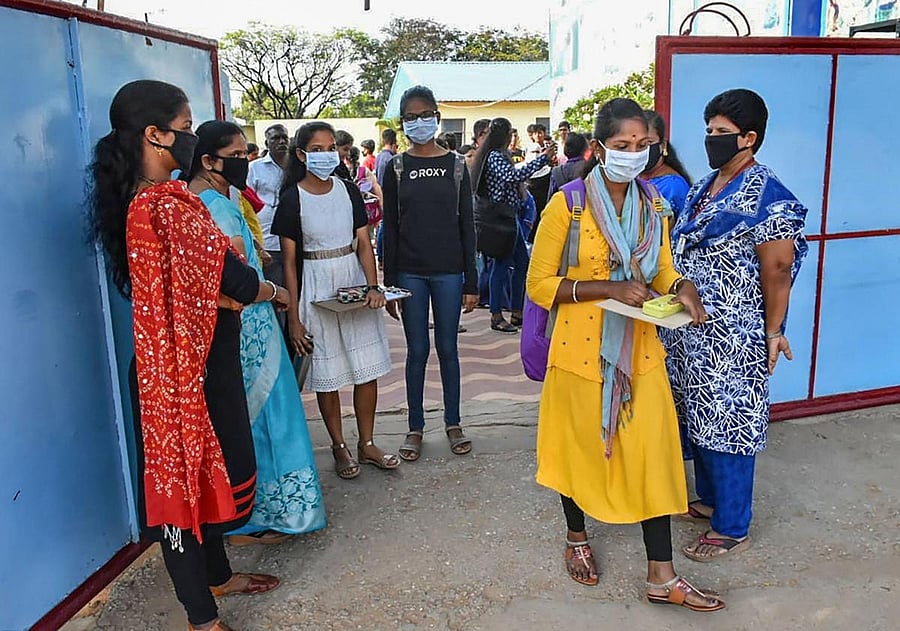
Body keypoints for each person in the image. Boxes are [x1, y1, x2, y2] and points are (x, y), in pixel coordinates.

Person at [89, 80, 289, 631]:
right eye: (185, 125)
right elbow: (237, 281)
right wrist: (272, 291)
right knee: (181, 486)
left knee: (206, 476)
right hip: (183, 374)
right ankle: (202, 618)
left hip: (188, 364)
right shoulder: (165, 206)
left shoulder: (154, 200)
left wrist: (233, 285)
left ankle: (217, 576)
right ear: (155, 134)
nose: (192, 135)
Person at [526, 97, 724, 612]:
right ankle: (577, 538)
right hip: (578, 353)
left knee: (652, 459)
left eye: (642, 145)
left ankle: (663, 576)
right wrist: (605, 289)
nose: (633, 154)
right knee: (577, 453)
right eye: (621, 145)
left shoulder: (654, 204)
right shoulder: (567, 204)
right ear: (598, 148)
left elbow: (659, 269)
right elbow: (539, 284)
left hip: (639, 351)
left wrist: (682, 286)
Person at [664, 89, 808, 561]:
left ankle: (732, 525)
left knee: (728, 425)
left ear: (750, 138)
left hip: (734, 334)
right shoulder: (706, 186)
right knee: (698, 419)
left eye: (722, 134)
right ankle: (709, 501)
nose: (712, 140)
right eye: (709, 131)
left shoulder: (770, 195)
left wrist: (773, 330)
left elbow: (778, 270)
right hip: (691, 332)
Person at [186, 120, 327, 544]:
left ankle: (250, 512)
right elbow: (235, 277)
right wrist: (276, 292)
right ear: (209, 160)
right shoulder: (216, 206)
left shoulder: (201, 200)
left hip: (234, 326)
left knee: (247, 419)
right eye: (237, 155)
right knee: (269, 416)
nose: (246, 162)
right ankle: (270, 513)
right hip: (249, 325)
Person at [272, 121, 398, 480]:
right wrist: (295, 317)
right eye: (316, 149)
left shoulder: (347, 190)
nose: (326, 155)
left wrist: (373, 287)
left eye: (331, 148)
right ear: (301, 154)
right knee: (327, 375)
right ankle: (340, 446)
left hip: (352, 282)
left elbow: (363, 243)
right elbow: (291, 264)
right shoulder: (292, 198)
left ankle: (368, 442)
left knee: (366, 367)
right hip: (315, 283)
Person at [381, 85, 478, 462]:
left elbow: (467, 226)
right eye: (411, 116)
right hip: (410, 275)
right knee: (417, 350)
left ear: (437, 118)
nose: (419, 122)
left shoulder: (456, 166)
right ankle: (415, 427)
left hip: (451, 273)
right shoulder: (396, 167)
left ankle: (453, 423)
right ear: (402, 122)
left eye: (426, 115)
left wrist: (472, 281)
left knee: (448, 349)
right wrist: (389, 282)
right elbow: (389, 228)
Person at [471, 117, 555, 333]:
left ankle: (517, 311)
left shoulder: (497, 155)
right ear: (504, 135)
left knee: (521, 263)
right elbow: (512, 176)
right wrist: (542, 160)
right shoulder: (495, 157)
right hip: (501, 220)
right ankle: (497, 314)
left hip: (509, 217)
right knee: (501, 264)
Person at [248, 123, 290, 307]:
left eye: (284, 138)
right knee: (276, 295)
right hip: (268, 241)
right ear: (267, 142)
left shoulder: (296, 167)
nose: (281, 142)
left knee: (295, 293)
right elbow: (247, 205)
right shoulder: (254, 168)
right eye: (275, 138)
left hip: (293, 240)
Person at [642, 110, 692, 217]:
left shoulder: (673, 186)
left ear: (663, 145)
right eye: (638, 144)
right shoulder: (630, 179)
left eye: (648, 142)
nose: (642, 149)